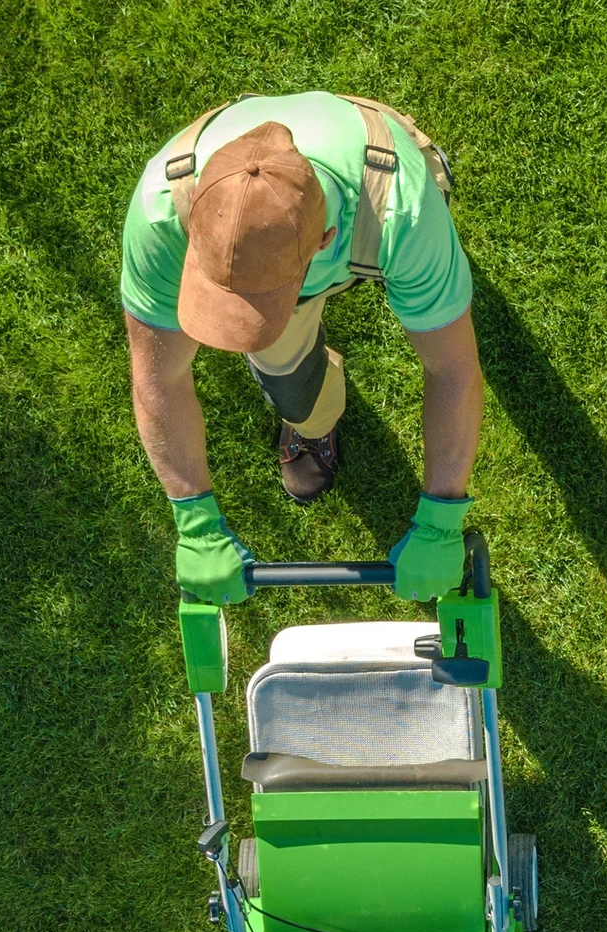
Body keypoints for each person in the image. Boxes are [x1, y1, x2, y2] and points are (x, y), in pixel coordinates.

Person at [121, 92, 483, 604]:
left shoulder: (401, 210)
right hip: (331, 240)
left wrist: (441, 520)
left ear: (323, 240)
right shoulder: (163, 214)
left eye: (255, 300)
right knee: (290, 385)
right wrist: (195, 522)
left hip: (373, 206)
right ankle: (311, 423)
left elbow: (452, 370)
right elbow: (158, 377)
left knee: (432, 281)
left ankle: (425, 163)